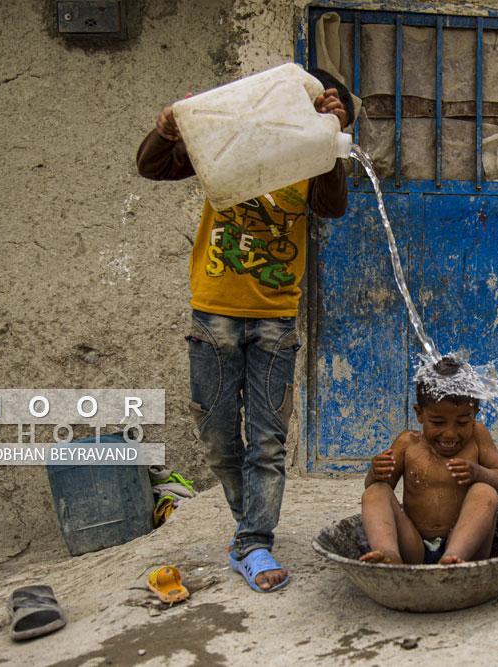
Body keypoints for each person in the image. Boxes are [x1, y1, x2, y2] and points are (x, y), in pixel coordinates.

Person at [136, 72, 352, 592]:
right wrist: (166, 130)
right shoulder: (234, 144)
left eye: (327, 104)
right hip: (213, 313)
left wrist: (331, 136)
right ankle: (248, 527)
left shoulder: (314, 158)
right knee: (215, 436)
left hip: (276, 317)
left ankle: (254, 541)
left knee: (267, 441)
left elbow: (333, 205)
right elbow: (152, 167)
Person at [359, 357, 498, 565]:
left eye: (462, 422)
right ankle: (388, 554)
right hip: (414, 547)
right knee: (374, 492)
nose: (450, 433)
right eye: (438, 422)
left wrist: (478, 473)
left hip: (468, 546)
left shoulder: (477, 436)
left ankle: (453, 558)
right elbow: (378, 491)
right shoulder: (407, 443)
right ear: (420, 414)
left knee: (485, 491)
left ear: (475, 414)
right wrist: (375, 473)